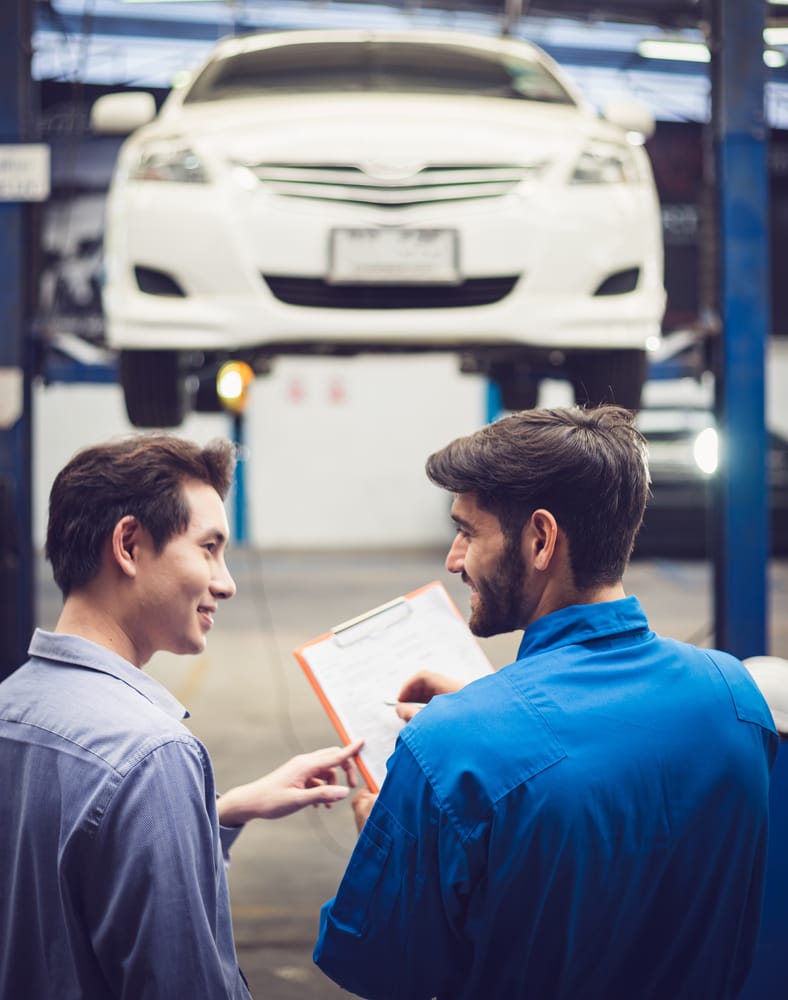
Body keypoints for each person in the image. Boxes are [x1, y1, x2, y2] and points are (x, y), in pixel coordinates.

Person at [314, 405, 778, 1000]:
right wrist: (488, 719)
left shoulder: (450, 750)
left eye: (467, 532)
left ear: (540, 539)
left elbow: (384, 969)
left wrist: (393, 835)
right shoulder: (736, 699)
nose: (453, 560)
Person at [0, 433, 362, 999]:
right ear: (128, 545)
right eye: (208, 548)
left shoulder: (12, 707)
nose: (226, 582)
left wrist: (215, 813)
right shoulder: (151, 755)